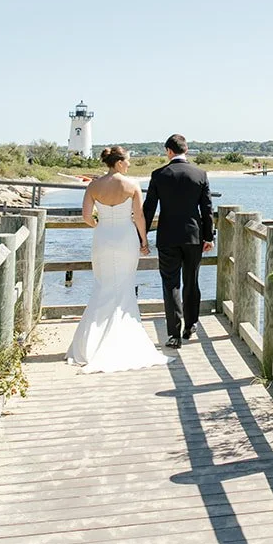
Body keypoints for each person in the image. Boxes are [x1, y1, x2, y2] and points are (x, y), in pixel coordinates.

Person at [66, 147, 168, 372]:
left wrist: (100, 225)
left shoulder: (93, 185)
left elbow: (85, 216)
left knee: (103, 285)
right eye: (128, 161)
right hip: (125, 237)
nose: (130, 164)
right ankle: (121, 338)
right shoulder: (131, 185)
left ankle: (90, 343)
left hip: (102, 237)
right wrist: (144, 241)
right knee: (123, 285)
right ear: (119, 162)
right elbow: (139, 216)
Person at [142, 133, 214, 349]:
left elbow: (149, 208)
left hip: (167, 237)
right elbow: (207, 209)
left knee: (171, 283)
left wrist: (142, 236)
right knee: (192, 281)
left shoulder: (158, 175)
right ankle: (190, 326)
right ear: (186, 150)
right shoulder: (200, 174)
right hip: (194, 236)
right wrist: (208, 236)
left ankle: (174, 334)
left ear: (169, 151)